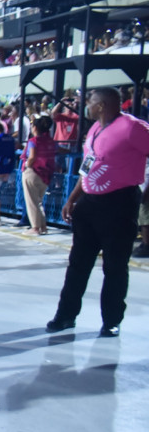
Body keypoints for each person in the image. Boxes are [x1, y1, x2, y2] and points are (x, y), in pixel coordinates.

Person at [47, 87, 149, 337]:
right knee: (77, 264)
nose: (86, 106)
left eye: (89, 102)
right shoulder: (94, 129)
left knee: (114, 266)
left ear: (101, 105)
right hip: (89, 203)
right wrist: (73, 198)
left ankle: (111, 320)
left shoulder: (133, 128)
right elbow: (88, 166)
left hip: (120, 203)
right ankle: (65, 315)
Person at [21, 115, 56, 235]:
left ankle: (35, 227)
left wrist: (27, 165)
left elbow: (32, 156)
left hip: (33, 171)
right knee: (39, 200)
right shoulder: (50, 141)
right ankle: (42, 226)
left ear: (35, 127)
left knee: (31, 200)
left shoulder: (33, 141)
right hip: (46, 173)